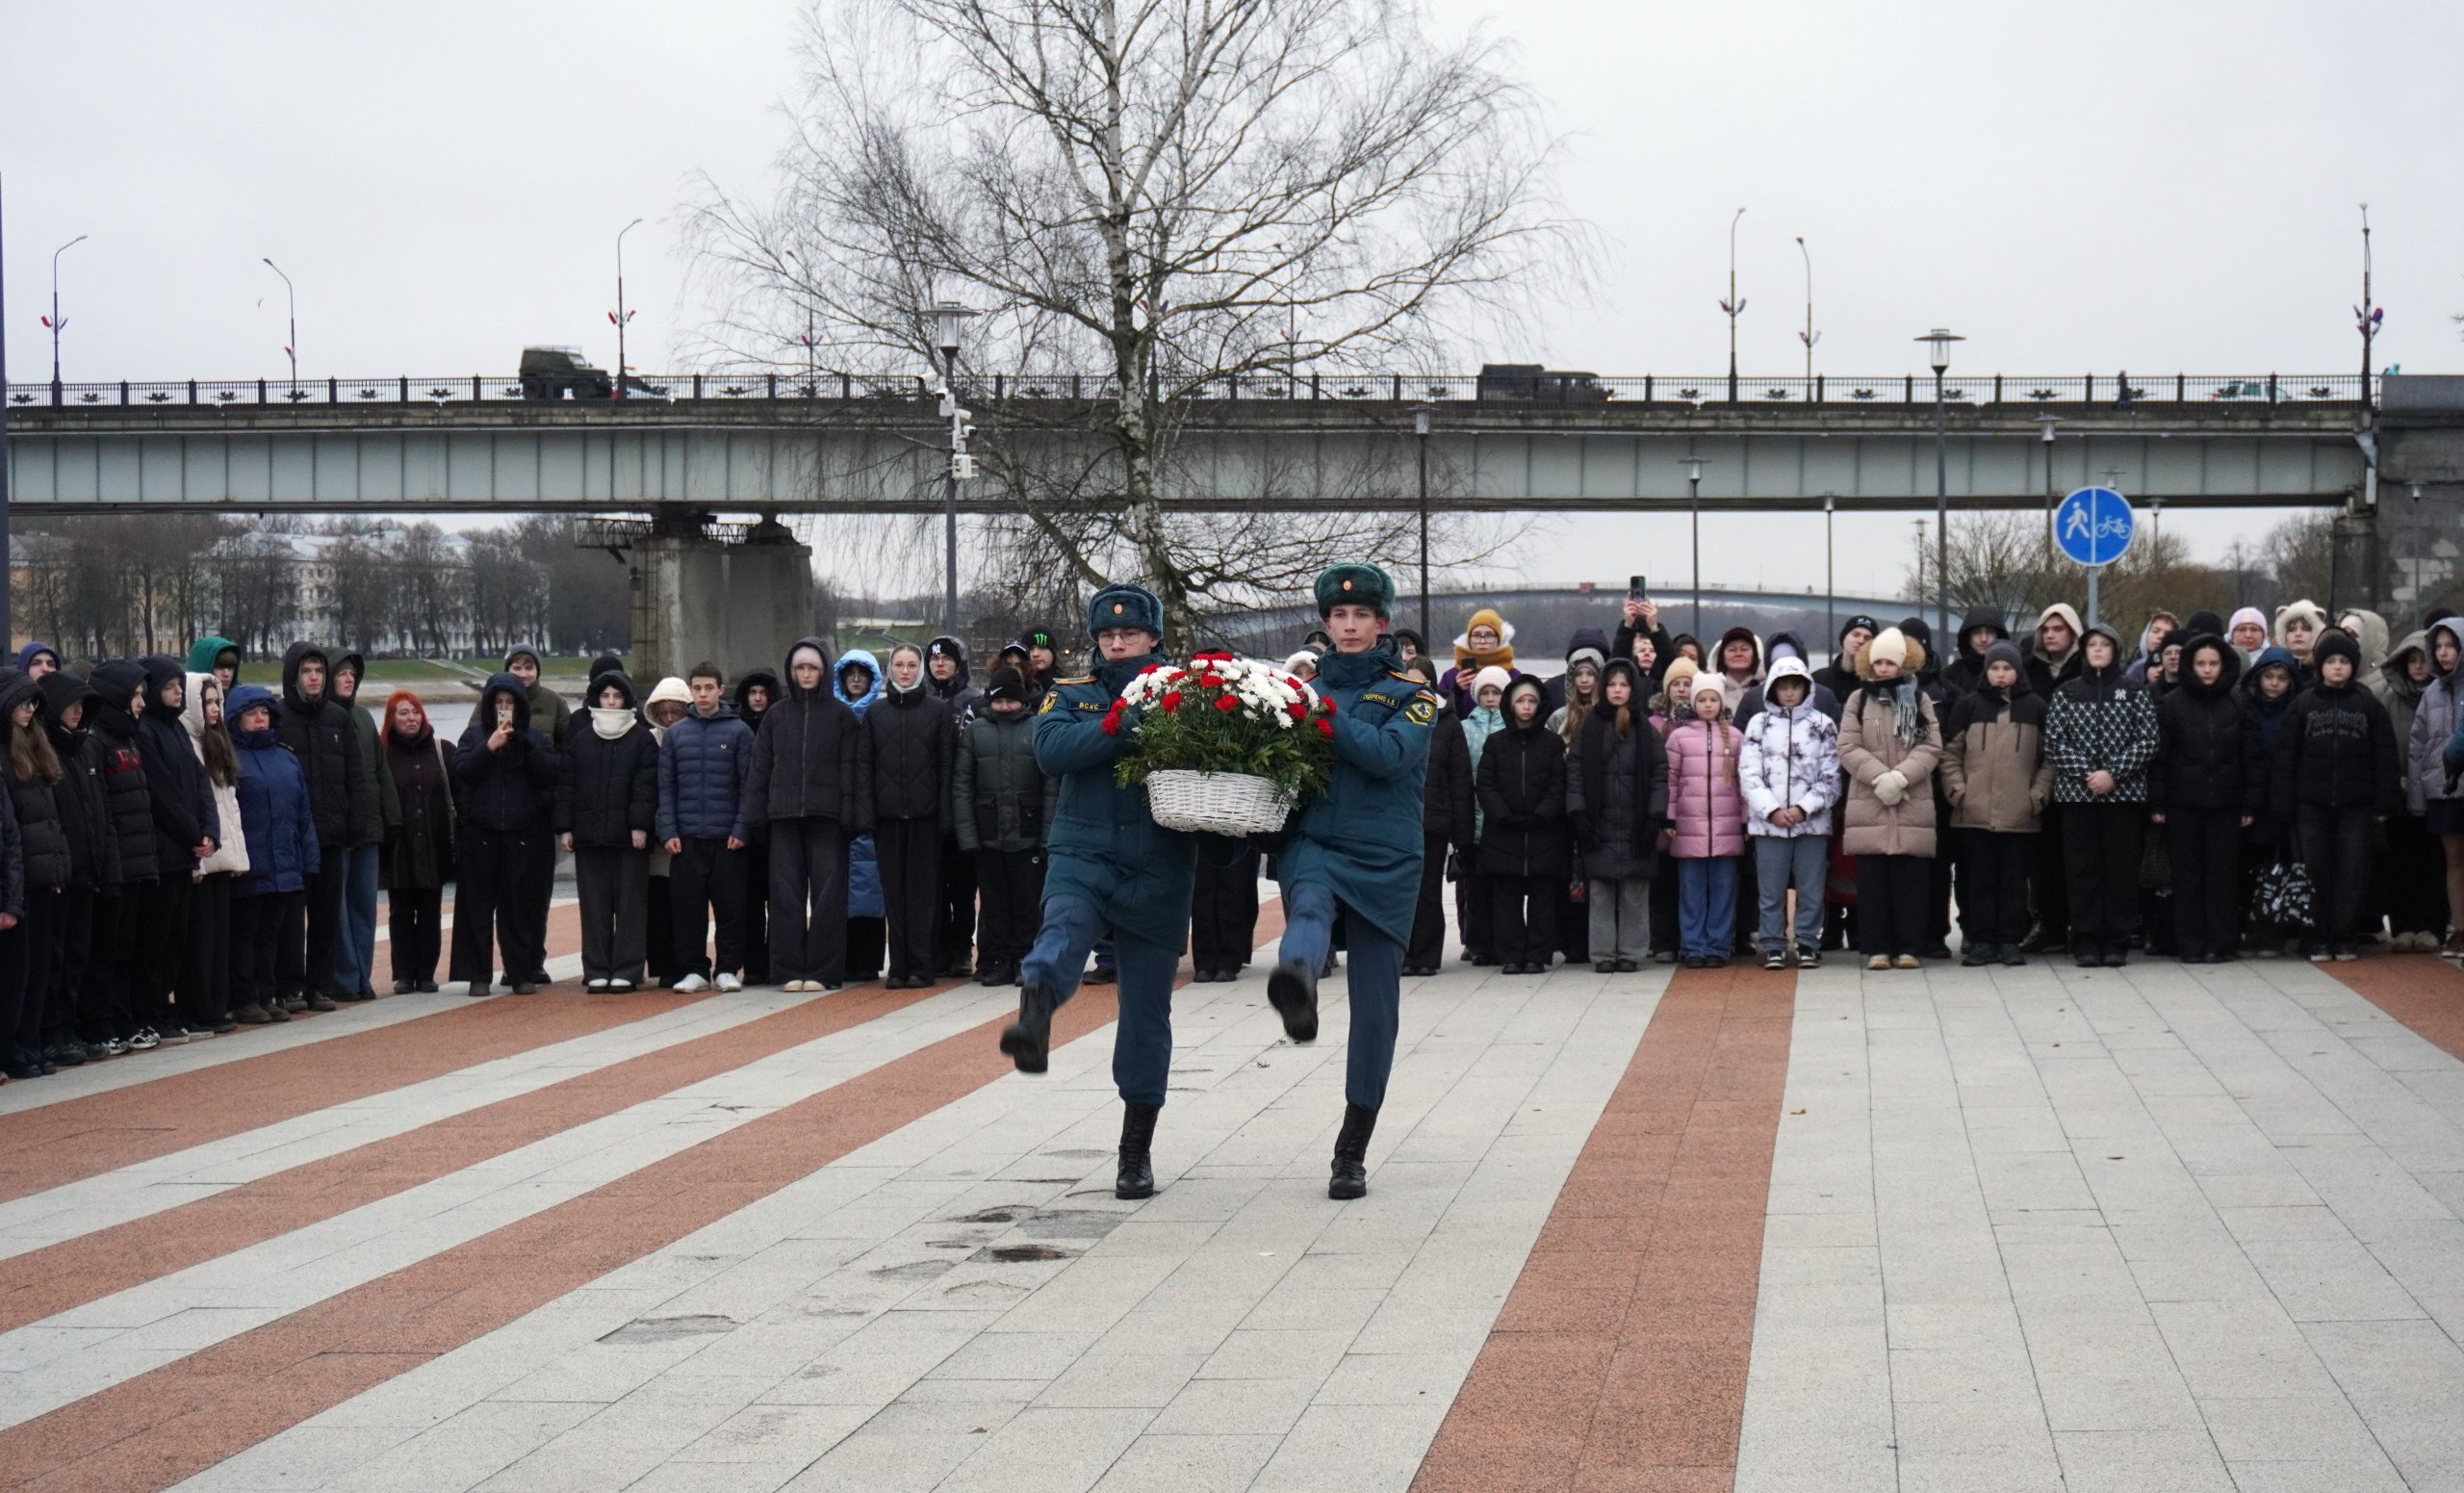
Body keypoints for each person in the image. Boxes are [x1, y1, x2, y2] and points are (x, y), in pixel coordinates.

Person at [999, 584, 1198, 1205]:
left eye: (1130, 634)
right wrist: (1126, 725)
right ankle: (1036, 1009)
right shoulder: (1073, 693)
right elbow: (1052, 749)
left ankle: (1134, 1150)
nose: (1117, 642)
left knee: (1146, 1012)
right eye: (1108, 635)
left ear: (1153, 637)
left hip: (1158, 862)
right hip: (1084, 849)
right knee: (1062, 928)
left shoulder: (1187, 696)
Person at [1266, 563, 1437, 1199]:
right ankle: (1299, 980)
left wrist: (1322, 714)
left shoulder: (1413, 693)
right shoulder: (1298, 689)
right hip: (1319, 839)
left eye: (1362, 615)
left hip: (1388, 855)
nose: (1350, 625)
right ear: (1327, 623)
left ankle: (1351, 1149)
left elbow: (1389, 756)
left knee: (1376, 1011)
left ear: (1381, 623)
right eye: (1340, 617)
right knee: (1307, 904)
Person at [747, 639, 869, 991]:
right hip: (783, 817)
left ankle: (823, 971)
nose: (805, 674)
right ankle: (786, 970)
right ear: (791, 671)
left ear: (823, 671)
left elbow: (853, 771)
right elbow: (760, 768)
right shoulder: (776, 715)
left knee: (829, 896)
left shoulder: (842, 716)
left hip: (828, 818)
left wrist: (852, 817)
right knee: (785, 895)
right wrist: (756, 816)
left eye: (811, 668)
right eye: (799, 668)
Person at [2278, 629, 2400, 961]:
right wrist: (2284, 802)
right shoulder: (2302, 703)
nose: (2337, 667)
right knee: (2315, 869)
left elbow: (2385, 755)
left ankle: (2345, 935)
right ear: (2319, 666)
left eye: (2344, 661)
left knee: (2352, 870)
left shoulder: (2367, 705)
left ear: (2353, 665)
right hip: (2311, 804)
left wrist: (2384, 800)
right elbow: (2287, 757)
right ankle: (2316, 935)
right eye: (2330, 661)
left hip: (2356, 804)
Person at [2043, 623, 2159, 966]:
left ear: (2115, 650)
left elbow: (2149, 740)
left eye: (2104, 644)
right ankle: (2085, 941)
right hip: (2078, 798)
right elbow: (2053, 742)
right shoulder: (2067, 692)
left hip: (2123, 798)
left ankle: (2116, 942)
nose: (2096, 650)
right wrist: (2087, 774)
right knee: (2082, 871)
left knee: (2120, 872)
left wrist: (2113, 773)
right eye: (2091, 644)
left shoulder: (2134, 691)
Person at [2148, 635, 2261, 965]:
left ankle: (2220, 943)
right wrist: (2157, 803)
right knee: (2186, 876)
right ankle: (2190, 943)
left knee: (2222, 876)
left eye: (2213, 664)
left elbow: (2252, 757)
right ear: (2190, 666)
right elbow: (2160, 758)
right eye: (2201, 664)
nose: (2208, 670)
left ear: (2224, 666)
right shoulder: (2172, 704)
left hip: (2227, 804)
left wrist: (2251, 803)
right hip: (2183, 804)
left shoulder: (2239, 703)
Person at [1937, 641, 2050, 965]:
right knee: (1978, 879)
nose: (2000, 675)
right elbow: (1950, 755)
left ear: (2018, 671)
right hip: (1974, 813)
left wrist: (2037, 795)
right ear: (1986, 671)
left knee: (2015, 882)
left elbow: (2050, 760)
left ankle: (2010, 940)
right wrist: (1959, 792)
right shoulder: (1968, 706)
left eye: (2007, 668)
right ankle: (1982, 939)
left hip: (2020, 814)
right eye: (1995, 668)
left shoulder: (2036, 707)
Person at [1838, 627, 1942, 970]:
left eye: (1890, 662)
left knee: (1909, 882)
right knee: (1873, 883)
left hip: (1911, 800)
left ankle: (1909, 947)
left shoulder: (1920, 699)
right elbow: (1848, 746)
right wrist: (1879, 776)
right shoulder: (1858, 700)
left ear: (1903, 663)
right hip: (1870, 802)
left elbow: (1930, 745)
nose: (1883, 668)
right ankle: (1877, 948)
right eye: (1878, 661)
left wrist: (1901, 776)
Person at [450, 672, 559, 994]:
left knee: (519, 907)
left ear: (520, 706)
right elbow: (464, 772)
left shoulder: (534, 738)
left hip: (521, 833)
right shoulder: (473, 736)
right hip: (480, 833)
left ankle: (521, 972)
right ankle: (478, 975)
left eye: (509, 702)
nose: (504, 707)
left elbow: (549, 775)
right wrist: (488, 747)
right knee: (476, 907)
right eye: (498, 702)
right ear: (488, 705)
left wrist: (524, 746)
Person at [276, 642, 370, 1011]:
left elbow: (355, 777)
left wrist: (355, 826)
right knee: (289, 918)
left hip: (331, 835)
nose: (314, 678)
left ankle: (319, 985)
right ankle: (288, 986)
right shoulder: (280, 717)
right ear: (294, 676)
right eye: (306, 671)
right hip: (294, 837)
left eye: (318, 671)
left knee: (326, 916)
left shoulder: (337, 718)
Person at [557, 672, 659, 992]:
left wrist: (640, 824)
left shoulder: (641, 738)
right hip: (589, 836)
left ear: (627, 700)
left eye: (617, 696)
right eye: (606, 696)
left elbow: (646, 787)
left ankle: (628, 969)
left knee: (630, 905)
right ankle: (597, 967)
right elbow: (568, 787)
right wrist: (565, 829)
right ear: (596, 699)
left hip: (630, 839)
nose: (611, 702)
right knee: (594, 906)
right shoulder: (583, 739)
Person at [953, 665, 1053, 988]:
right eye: (1000, 700)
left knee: (1028, 903)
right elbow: (962, 785)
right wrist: (968, 837)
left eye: (1012, 700)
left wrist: (1047, 836)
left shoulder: (1037, 728)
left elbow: (1051, 786)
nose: (1005, 706)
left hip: (1028, 832)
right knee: (993, 904)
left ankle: (1028, 959)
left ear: (1022, 700)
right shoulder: (975, 731)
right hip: (988, 833)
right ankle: (994, 960)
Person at [130, 657, 214, 1042]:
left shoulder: (178, 730)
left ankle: (166, 1005)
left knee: (177, 936)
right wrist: (194, 833)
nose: (178, 692)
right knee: (156, 937)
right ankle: (150, 1009)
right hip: (165, 851)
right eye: (170, 686)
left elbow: (200, 782)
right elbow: (162, 793)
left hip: (186, 852)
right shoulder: (146, 732)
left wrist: (210, 832)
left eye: (181, 686)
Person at [227, 685, 321, 1028]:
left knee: (272, 935)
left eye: (264, 713)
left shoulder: (286, 758)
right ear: (237, 718)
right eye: (252, 713)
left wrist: (308, 861)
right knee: (245, 935)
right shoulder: (229, 757)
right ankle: (245, 998)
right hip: (249, 865)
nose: (259, 719)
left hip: (284, 864)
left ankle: (267, 994)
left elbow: (303, 815)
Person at [1566, 656, 1666, 971]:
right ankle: (1603, 954)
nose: (1618, 690)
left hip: (1636, 823)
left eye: (1624, 684)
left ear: (1633, 688)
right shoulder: (1590, 726)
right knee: (1601, 894)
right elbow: (1576, 772)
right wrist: (1579, 813)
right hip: (1600, 822)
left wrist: (1655, 817)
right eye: (1612, 684)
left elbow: (1659, 774)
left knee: (1635, 893)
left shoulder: (1645, 728)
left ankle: (1632, 953)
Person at [1739, 656, 1838, 969]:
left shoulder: (1823, 725)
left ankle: (1808, 942)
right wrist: (1771, 810)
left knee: (1811, 888)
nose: (1790, 693)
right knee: (1771, 890)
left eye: (1797, 686)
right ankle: (1773, 944)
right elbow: (1749, 773)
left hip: (1812, 823)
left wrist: (1802, 808)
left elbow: (1832, 776)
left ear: (1807, 688)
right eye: (1784, 687)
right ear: (1772, 689)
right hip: (1769, 825)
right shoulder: (1759, 724)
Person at [659, 665, 754, 991]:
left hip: (727, 838)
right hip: (686, 838)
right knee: (687, 911)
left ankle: (727, 968)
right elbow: (666, 787)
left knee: (731, 909)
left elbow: (749, 786)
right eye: (697, 688)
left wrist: (742, 828)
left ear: (721, 690)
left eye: (709, 688)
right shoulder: (676, 734)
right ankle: (694, 970)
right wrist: (668, 830)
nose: (702, 694)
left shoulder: (740, 732)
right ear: (690, 691)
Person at [868, 644, 957, 990]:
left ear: (920, 670)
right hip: (887, 817)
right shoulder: (876, 714)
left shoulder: (937, 711)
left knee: (923, 894)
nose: (905, 671)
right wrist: (868, 813)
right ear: (890, 670)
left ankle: (922, 965)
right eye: (899, 665)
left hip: (926, 817)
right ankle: (899, 966)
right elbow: (865, 765)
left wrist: (946, 815)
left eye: (911, 665)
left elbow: (947, 766)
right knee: (894, 894)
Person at [37, 671, 112, 1059]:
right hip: (60, 876)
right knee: (56, 959)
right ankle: (52, 1032)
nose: (78, 710)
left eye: (83, 704)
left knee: (79, 957)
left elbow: (97, 811)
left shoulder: (86, 749)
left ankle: (70, 1028)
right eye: (70, 703)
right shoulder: (45, 750)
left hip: (87, 873)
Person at [1476, 675, 1568, 975]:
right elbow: (1485, 784)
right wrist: (1503, 815)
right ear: (1510, 705)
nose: (1526, 707)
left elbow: (1559, 784)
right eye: (1520, 701)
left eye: (1531, 701)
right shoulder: (1496, 743)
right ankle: (1512, 954)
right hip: (1504, 833)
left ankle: (1538, 954)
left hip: (1544, 832)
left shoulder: (1552, 743)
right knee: (1507, 899)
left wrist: (1542, 815)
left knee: (1543, 898)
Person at [1, 670, 64, 1077]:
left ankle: (27, 1041)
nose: (29, 712)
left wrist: (58, 865)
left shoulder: (36, 751)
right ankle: (13, 1046)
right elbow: (13, 831)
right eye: (23, 704)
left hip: (41, 873)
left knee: (39, 967)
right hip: (20, 879)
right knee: (16, 972)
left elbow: (49, 819)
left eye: (33, 705)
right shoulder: (5, 760)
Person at [1663, 670, 1747, 966]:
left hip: (1726, 828)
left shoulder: (1736, 738)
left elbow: (1743, 783)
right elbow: (1670, 781)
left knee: (1724, 891)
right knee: (1692, 892)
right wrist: (1669, 818)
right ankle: (1693, 947)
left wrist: (1745, 820)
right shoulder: (1679, 737)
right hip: (1689, 828)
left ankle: (1718, 946)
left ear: (1721, 702)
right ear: (1694, 702)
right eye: (1703, 699)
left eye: (1713, 699)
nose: (1708, 705)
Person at [180, 673, 246, 1035]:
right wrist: (199, 860)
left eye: (217, 702)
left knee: (221, 936)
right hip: (203, 854)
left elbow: (229, 804)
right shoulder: (187, 743)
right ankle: (201, 1006)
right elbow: (195, 804)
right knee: (201, 938)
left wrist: (238, 857)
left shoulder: (218, 741)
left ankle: (217, 1004)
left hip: (222, 854)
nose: (214, 709)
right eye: (206, 702)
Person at [329, 654, 397, 1003]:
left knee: (364, 906)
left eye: (352, 674)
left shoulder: (363, 717)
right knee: (337, 907)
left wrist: (391, 819)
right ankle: (345, 976)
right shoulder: (323, 718)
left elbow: (380, 774)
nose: (348, 679)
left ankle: (362, 976)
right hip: (338, 829)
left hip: (368, 826)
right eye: (340, 673)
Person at [379, 691, 456, 994]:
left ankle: (426, 972)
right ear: (391, 719)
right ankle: (403, 973)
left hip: (434, 840)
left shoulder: (441, 751)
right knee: (400, 910)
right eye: (402, 713)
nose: (410, 719)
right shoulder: (383, 753)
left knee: (429, 908)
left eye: (415, 712)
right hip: (398, 844)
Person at [2374, 627, 2444, 952]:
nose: (2418, 667)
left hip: (2435, 794)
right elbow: (2382, 746)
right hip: (2399, 797)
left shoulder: (2445, 697)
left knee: (2433, 861)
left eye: (2424, 660)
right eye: (2412, 660)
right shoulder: (2387, 701)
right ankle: (2403, 925)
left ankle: (2432, 924)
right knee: (2400, 862)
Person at [1406, 656, 1475, 978]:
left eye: (1422, 681)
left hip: (1434, 820)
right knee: (1402, 891)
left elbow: (1460, 780)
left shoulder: (1447, 721)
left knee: (1429, 891)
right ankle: (1404, 953)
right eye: (1410, 681)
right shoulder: (1394, 716)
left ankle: (1427, 956)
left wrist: (1462, 832)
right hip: (1400, 819)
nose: (1417, 687)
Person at [924, 636, 980, 978]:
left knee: (962, 883)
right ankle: (940, 945)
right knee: (933, 881)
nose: (940, 663)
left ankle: (961, 946)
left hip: (964, 803)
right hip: (928, 803)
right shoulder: (922, 700)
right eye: (934, 659)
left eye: (947, 658)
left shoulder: (974, 702)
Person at [834, 649, 889, 981]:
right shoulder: (834, 713)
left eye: (862, 673)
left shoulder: (878, 713)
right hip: (839, 812)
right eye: (850, 673)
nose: (856, 679)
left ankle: (868, 960)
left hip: (871, 812)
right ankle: (844, 957)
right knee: (838, 890)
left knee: (871, 889)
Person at [2410, 619, 2464, 960]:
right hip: (2443, 788)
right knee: (2454, 862)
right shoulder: (2432, 692)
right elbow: (2417, 745)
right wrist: (2417, 795)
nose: (2444, 653)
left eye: (2450, 646)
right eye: (2439, 647)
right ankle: (2459, 928)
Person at [1455, 665, 1509, 965]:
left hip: (1501, 820)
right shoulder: (1466, 728)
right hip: (1473, 818)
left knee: (1501, 887)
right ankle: (1478, 944)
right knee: (1474, 887)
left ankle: (1503, 941)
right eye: (1485, 693)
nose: (1490, 698)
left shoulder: (1510, 728)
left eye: (1496, 693)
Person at [729, 668, 780, 983]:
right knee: (748, 900)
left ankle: (776, 959)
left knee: (779, 897)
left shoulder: (780, 724)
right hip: (746, 824)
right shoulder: (736, 728)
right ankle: (754, 964)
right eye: (752, 693)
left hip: (776, 825)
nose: (758, 699)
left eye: (763, 693)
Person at [1440, 607, 1519, 715]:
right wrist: (1457, 691)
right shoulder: (1451, 676)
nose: (1482, 641)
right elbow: (1440, 715)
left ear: (1498, 639)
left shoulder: (1513, 675)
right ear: (1469, 639)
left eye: (1489, 635)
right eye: (1476, 635)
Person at [1940, 605, 2011, 698]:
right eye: (1976, 632)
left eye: (1989, 632)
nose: (1984, 639)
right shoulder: (1951, 675)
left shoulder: (2012, 674)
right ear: (1968, 637)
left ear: (1999, 636)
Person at [1812, 615, 1880, 707]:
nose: (1860, 641)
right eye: (1856, 635)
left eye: (1867, 638)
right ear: (1844, 639)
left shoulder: (1877, 685)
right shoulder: (1818, 679)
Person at [2274, 600, 2326, 677]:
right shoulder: (2273, 665)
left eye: (2306, 629)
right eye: (2292, 630)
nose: (2298, 634)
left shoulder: (2326, 668)